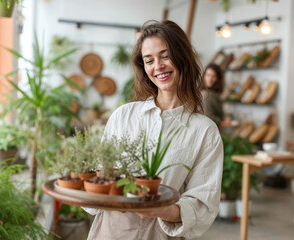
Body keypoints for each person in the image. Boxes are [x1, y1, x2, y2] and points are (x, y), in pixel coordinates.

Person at [85, 20, 223, 240]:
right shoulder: (124, 116)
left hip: (161, 233)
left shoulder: (204, 131)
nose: (157, 66)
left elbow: (203, 202)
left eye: (165, 56)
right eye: (149, 60)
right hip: (111, 231)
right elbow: (99, 173)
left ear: (182, 58)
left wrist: (163, 210)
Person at [201, 63, 224, 129]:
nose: (210, 79)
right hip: (208, 129)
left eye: (214, 76)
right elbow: (207, 116)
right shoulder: (205, 94)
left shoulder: (214, 94)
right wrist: (221, 121)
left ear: (218, 78)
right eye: (208, 75)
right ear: (204, 76)